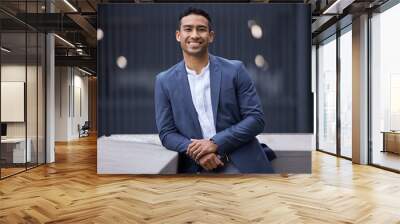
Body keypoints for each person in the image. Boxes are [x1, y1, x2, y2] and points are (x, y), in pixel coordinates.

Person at [154, 7, 274, 174]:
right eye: (188, 29)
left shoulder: (235, 70)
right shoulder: (164, 81)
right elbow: (167, 133)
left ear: (210, 36)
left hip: (241, 162)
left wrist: (215, 143)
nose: (194, 35)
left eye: (201, 29)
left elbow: (256, 119)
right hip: (196, 166)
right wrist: (198, 151)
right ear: (178, 35)